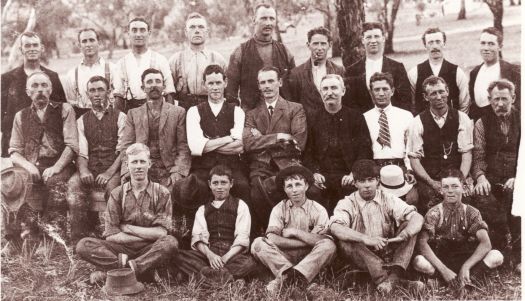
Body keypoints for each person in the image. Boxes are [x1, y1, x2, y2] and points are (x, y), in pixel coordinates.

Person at [76, 143, 179, 283]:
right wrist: (147, 235)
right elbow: (111, 235)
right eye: (134, 162)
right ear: (127, 165)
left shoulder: (162, 193)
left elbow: (161, 233)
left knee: (170, 243)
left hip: (149, 250)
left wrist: (128, 228)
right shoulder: (117, 194)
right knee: (83, 245)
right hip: (120, 249)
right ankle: (139, 269)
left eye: (142, 161)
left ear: (149, 164)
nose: (138, 166)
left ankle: (119, 270)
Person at [330, 159, 424, 294]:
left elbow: (417, 217)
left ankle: (387, 279)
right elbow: (335, 227)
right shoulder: (347, 202)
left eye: (370, 180)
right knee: (346, 240)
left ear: (378, 181)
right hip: (361, 254)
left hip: (386, 252)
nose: (367, 185)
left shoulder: (388, 198)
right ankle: (393, 281)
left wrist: (406, 233)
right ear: (355, 183)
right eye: (362, 181)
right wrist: (365, 238)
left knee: (410, 225)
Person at [8, 71, 78, 239]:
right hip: (32, 165)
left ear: (51, 89)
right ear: (28, 92)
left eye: (44, 85)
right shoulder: (21, 116)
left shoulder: (64, 109)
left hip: (61, 164)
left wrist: (56, 167)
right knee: (10, 182)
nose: (40, 90)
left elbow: (72, 146)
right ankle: (17, 238)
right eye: (35, 86)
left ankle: (52, 237)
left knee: (54, 182)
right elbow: (14, 151)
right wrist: (28, 166)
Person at [251, 165, 336, 295]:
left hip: (310, 256)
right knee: (258, 244)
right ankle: (296, 276)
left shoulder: (318, 209)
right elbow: (272, 238)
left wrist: (295, 232)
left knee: (329, 245)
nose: (294, 190)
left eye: (298, 184)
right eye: (289, 186)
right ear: (284, 189)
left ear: (306, 186)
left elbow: (323, 240)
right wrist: (307, 238)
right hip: (284, 255)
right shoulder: (279, 208)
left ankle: (285, 279)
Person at [413, 168, 504, 287]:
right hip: (442, 259)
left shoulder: (472, 212)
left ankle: (464, 278)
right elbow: (422, 243)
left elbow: (486, 244)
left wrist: (466, 266)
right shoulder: (434, 213)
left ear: (464, 188)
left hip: (467, 257)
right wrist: (444, 270)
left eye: (455, 186)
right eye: (446, 187)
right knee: (418, 261)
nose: (450, 191)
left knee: (497, 256)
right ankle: (452, 279)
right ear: (441, 190)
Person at [242, 66, 307, 231]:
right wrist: (279, 137)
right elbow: (248, 144)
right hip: (261, 167)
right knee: (257, 193)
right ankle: (270, 232)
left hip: (288, 165)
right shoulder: (252, 114)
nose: (267, 86)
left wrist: (261, 139)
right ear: (258, 86)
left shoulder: (295, 108)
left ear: (280, 82)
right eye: (262, 82)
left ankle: (294, 230)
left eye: (271, 81)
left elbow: (298, 143)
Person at [172, 165, 259, 287]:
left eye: (223, 183)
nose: (219, 187)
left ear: (231, 183)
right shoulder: (203, 208)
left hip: (231, 253)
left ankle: (205, 278)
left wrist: (224, 259)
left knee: (250, 262)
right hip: (208, 254)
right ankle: (228, 279)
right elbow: (198, 237)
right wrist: (210, 255)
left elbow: (242, 237)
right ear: (209, 184)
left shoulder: (240, 205)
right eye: (215, 183)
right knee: (178, 255)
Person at [66, 76, 127, 242]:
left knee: (114, 190)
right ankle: (80, 237)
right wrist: (84, 170)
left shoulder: (121, 117)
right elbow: (82, 152)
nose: (97, 94)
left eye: (101, 89)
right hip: (91, 167)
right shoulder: (82, 121)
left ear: (109, 92)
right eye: (92, 90)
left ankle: (113, 236)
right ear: (87, 94)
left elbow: (123, 151)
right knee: (74, 185)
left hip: (112, 168)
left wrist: (108, 173)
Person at [304, 74, 372, 213]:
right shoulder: (312, 118)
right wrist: (314, 173)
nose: (330, 93)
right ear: (320, 92)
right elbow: (307, 151)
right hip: (322, 176)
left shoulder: (355, 117)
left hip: (347, 175)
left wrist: (354, 173)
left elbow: (364, 150)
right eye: (325, 89)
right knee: (312, 193)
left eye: (334, 88)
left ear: (343, 91)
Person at [408, 76, 473, 214]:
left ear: (448, 91)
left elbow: (466, 153)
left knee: (466, 202)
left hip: (457, 176)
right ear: (425, 97)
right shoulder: (417, 122)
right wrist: (432, 183)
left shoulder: (462, 118)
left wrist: (460, 181)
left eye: (441, 91)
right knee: (430, 203)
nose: (438, 97)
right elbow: (414, 159)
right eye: (433, 93)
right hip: (430, 179)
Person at [186, 64, 250, 202]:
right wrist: (228, 138)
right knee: (197, 187)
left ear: (225, 83)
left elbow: (239, 146)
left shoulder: (237, 111)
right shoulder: (194, 111)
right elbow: (195, 148)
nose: (215, 87)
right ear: (204, 85)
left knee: (243, 186)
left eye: (218, 83)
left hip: (231, 166)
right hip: (203, 167)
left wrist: (206, 144)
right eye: (210, 83)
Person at [119, 68, 191, 191]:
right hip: (141, 168)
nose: (154, 85)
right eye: (149, 82)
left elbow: (183, 147)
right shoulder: (133, 114)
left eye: (158, 81)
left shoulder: (178, 112)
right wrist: (127, 171)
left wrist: (178, 171)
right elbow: (126, 147)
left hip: (169, 169)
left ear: (163, 86)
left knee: (175, 193)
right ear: (143, 88)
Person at [471, 79, 520, 254]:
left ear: (513, 98)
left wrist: (518, 178)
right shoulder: (481, 123)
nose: (500, 104)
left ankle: (517, 250)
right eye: (495, 99)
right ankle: (501, 244)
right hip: (491, 177)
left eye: (504, 99)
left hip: (517, 176)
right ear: (489, 99)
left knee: (517, 195)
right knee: (482, 196)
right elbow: (478, 156)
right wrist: (480, 177)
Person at [1, 31, 66, 157]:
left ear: (41, 48)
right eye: (27, 46)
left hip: (45, 149)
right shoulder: (7, 79)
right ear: (21, 49)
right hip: (15, 147)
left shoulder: (52, 77)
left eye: (35, 45)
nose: (32, 49)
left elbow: (61, 111)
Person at [225, 3, 295, 111]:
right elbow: (230, 91)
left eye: (272, 19)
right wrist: (235, 114)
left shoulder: (285, 51)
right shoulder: (240, 52)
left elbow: (294, 85)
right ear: (254, 20)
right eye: (263, 18)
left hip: (282, 115)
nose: (268, 23)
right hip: (252, 115)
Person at [363, 72, 417, 204]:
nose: (381, 93)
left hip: (400, 167)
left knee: (412, 199)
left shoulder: (406, 116)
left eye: (385, 89)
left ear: (392, 91)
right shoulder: (364, 118)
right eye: (376, 90)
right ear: (371, 92)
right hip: (374, 168)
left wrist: (409, 170)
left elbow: (410, 146)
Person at [343, 22, 411, 113]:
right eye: (369, 37)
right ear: (363, 40)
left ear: (383, 38)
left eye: (376, 36)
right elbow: (349, 103)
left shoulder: (397, 67)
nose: (373, 41)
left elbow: (405, 100)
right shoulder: (352, 70)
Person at [113, 18, 176, 112]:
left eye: (142, 30)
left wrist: (169, 117)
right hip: (131, 111)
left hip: (156, 110)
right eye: (134, 30)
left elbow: (169, 92)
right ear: (128, 34)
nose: (138, 34)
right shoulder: (121, 63)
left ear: (149, 33)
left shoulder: (160, 60)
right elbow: (119, 96)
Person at [169, 12, 227, 111]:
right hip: (183, 109)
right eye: (192, 27)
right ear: (186, 32)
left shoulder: (218, 59)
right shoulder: (175, 60)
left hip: (211, 109)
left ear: (207, 32)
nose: (197, 31)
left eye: (201, 27)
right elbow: (169, 92)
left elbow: (227, 90)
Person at [286, 26, 345, 121]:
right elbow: (294, 105)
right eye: (315, 44)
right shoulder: (296, 74)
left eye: (323, 44)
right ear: (308, 45)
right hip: (309, 127)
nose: (319, 48)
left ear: (330, 45)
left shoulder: (339, 70)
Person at [408, 27, 470, 115]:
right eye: (430, 42)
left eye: (438, 42)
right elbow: (412, 105)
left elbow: (464, 104)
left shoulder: (457, 72)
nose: (435, 46)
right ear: (425, 45)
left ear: (444, 43)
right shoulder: (414, 73)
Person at [63, 28, 118, 118]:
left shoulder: (112, 69)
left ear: (99, 43)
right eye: (84, 41)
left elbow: (117, 101)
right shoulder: (72, 74)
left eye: (92, 40)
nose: (88, 44)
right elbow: (71, 104)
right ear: (79, 45)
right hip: (83, 121)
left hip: (109, 118)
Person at [469, 27, 521, 121]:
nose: (486, 48)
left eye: (491, 44)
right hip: (480, 126)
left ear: (500, 47)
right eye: (483, 43)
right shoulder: (474, 72)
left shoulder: (512, 71)